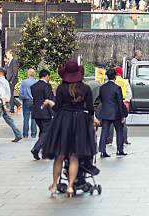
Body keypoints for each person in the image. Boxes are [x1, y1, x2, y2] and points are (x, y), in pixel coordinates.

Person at [41, 60, 97, 197]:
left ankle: (54, 185)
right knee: (74, 156)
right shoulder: (86, 89)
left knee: (59, 155)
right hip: (79, 123)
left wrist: (49, 103)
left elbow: (58, 108)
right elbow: (90, 110)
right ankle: (71, 186)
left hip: (63, 121)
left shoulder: (61, 88)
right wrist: (92, 119)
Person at [97, 68, 128, 158]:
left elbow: (101, 99)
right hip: (116, 113)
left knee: (104, 132)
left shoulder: (102, 87)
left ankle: (102, 151)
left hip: (105, 112)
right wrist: (123, 115)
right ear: (115, 77)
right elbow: (120, 102)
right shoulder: (117, 88)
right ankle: (120, 150)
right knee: (119, 131)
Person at [30, 69, 55, 160]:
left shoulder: (33, 86)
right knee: (46, 132)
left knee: (42, 131)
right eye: (49, 76)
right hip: (45, 113)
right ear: (46, 76)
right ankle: (36, 148)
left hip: (36, 112)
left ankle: (44, 152)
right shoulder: (47, 86)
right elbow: (50, 99)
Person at [106, 67, 132, 147]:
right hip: (123, 102)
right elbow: (129, 93)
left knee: (110, 122)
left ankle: (109, 140)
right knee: (123, 122)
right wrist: (126, 100)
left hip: (112, 103)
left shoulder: (111, 82)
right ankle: (124, 140)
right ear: (120, 73)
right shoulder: (125, 81)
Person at [19, 68, 38, 139]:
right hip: (34, 101)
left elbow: (21, 92)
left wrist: (21, 100)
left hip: (26, 100)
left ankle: (25, 134)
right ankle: (33, 133)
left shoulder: (24, 82)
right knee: (33, 118)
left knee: (26, 118)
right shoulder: (36, 82)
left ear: (28, 74)